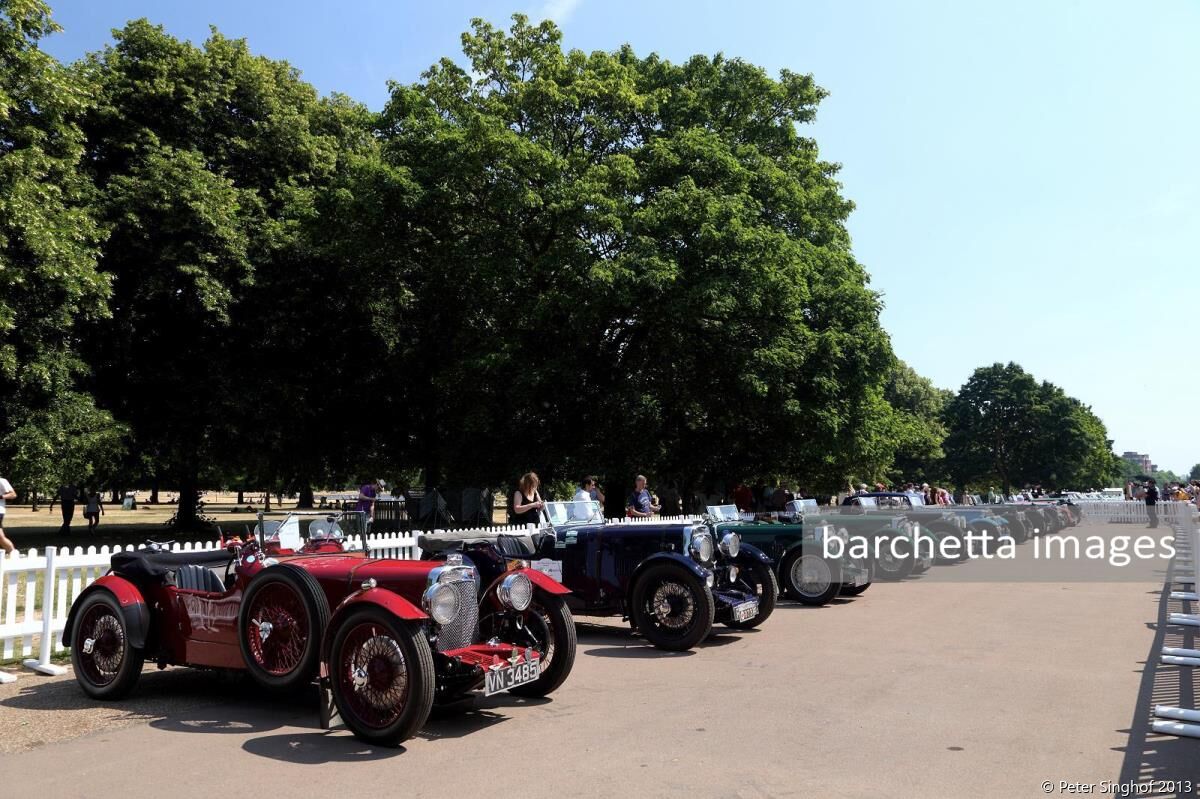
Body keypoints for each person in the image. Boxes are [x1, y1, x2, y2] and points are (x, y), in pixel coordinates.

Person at [0, 472, 14, 555]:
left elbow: (13, 494)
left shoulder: (2, 481)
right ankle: (14, 553)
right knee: (0, 537)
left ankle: (13, 553)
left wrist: (1, 497)